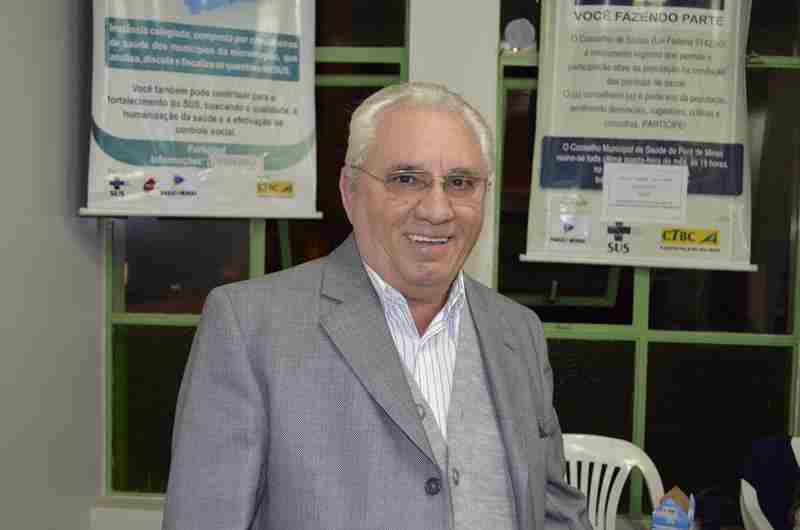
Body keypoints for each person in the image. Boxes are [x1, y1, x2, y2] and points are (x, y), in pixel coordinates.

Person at [162, 82, 590, 530]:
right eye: (406, 179)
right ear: (350, 192)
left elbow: (553, 512)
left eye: (461, 183)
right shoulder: (250, 327)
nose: (437, 209)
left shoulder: (518, 332)